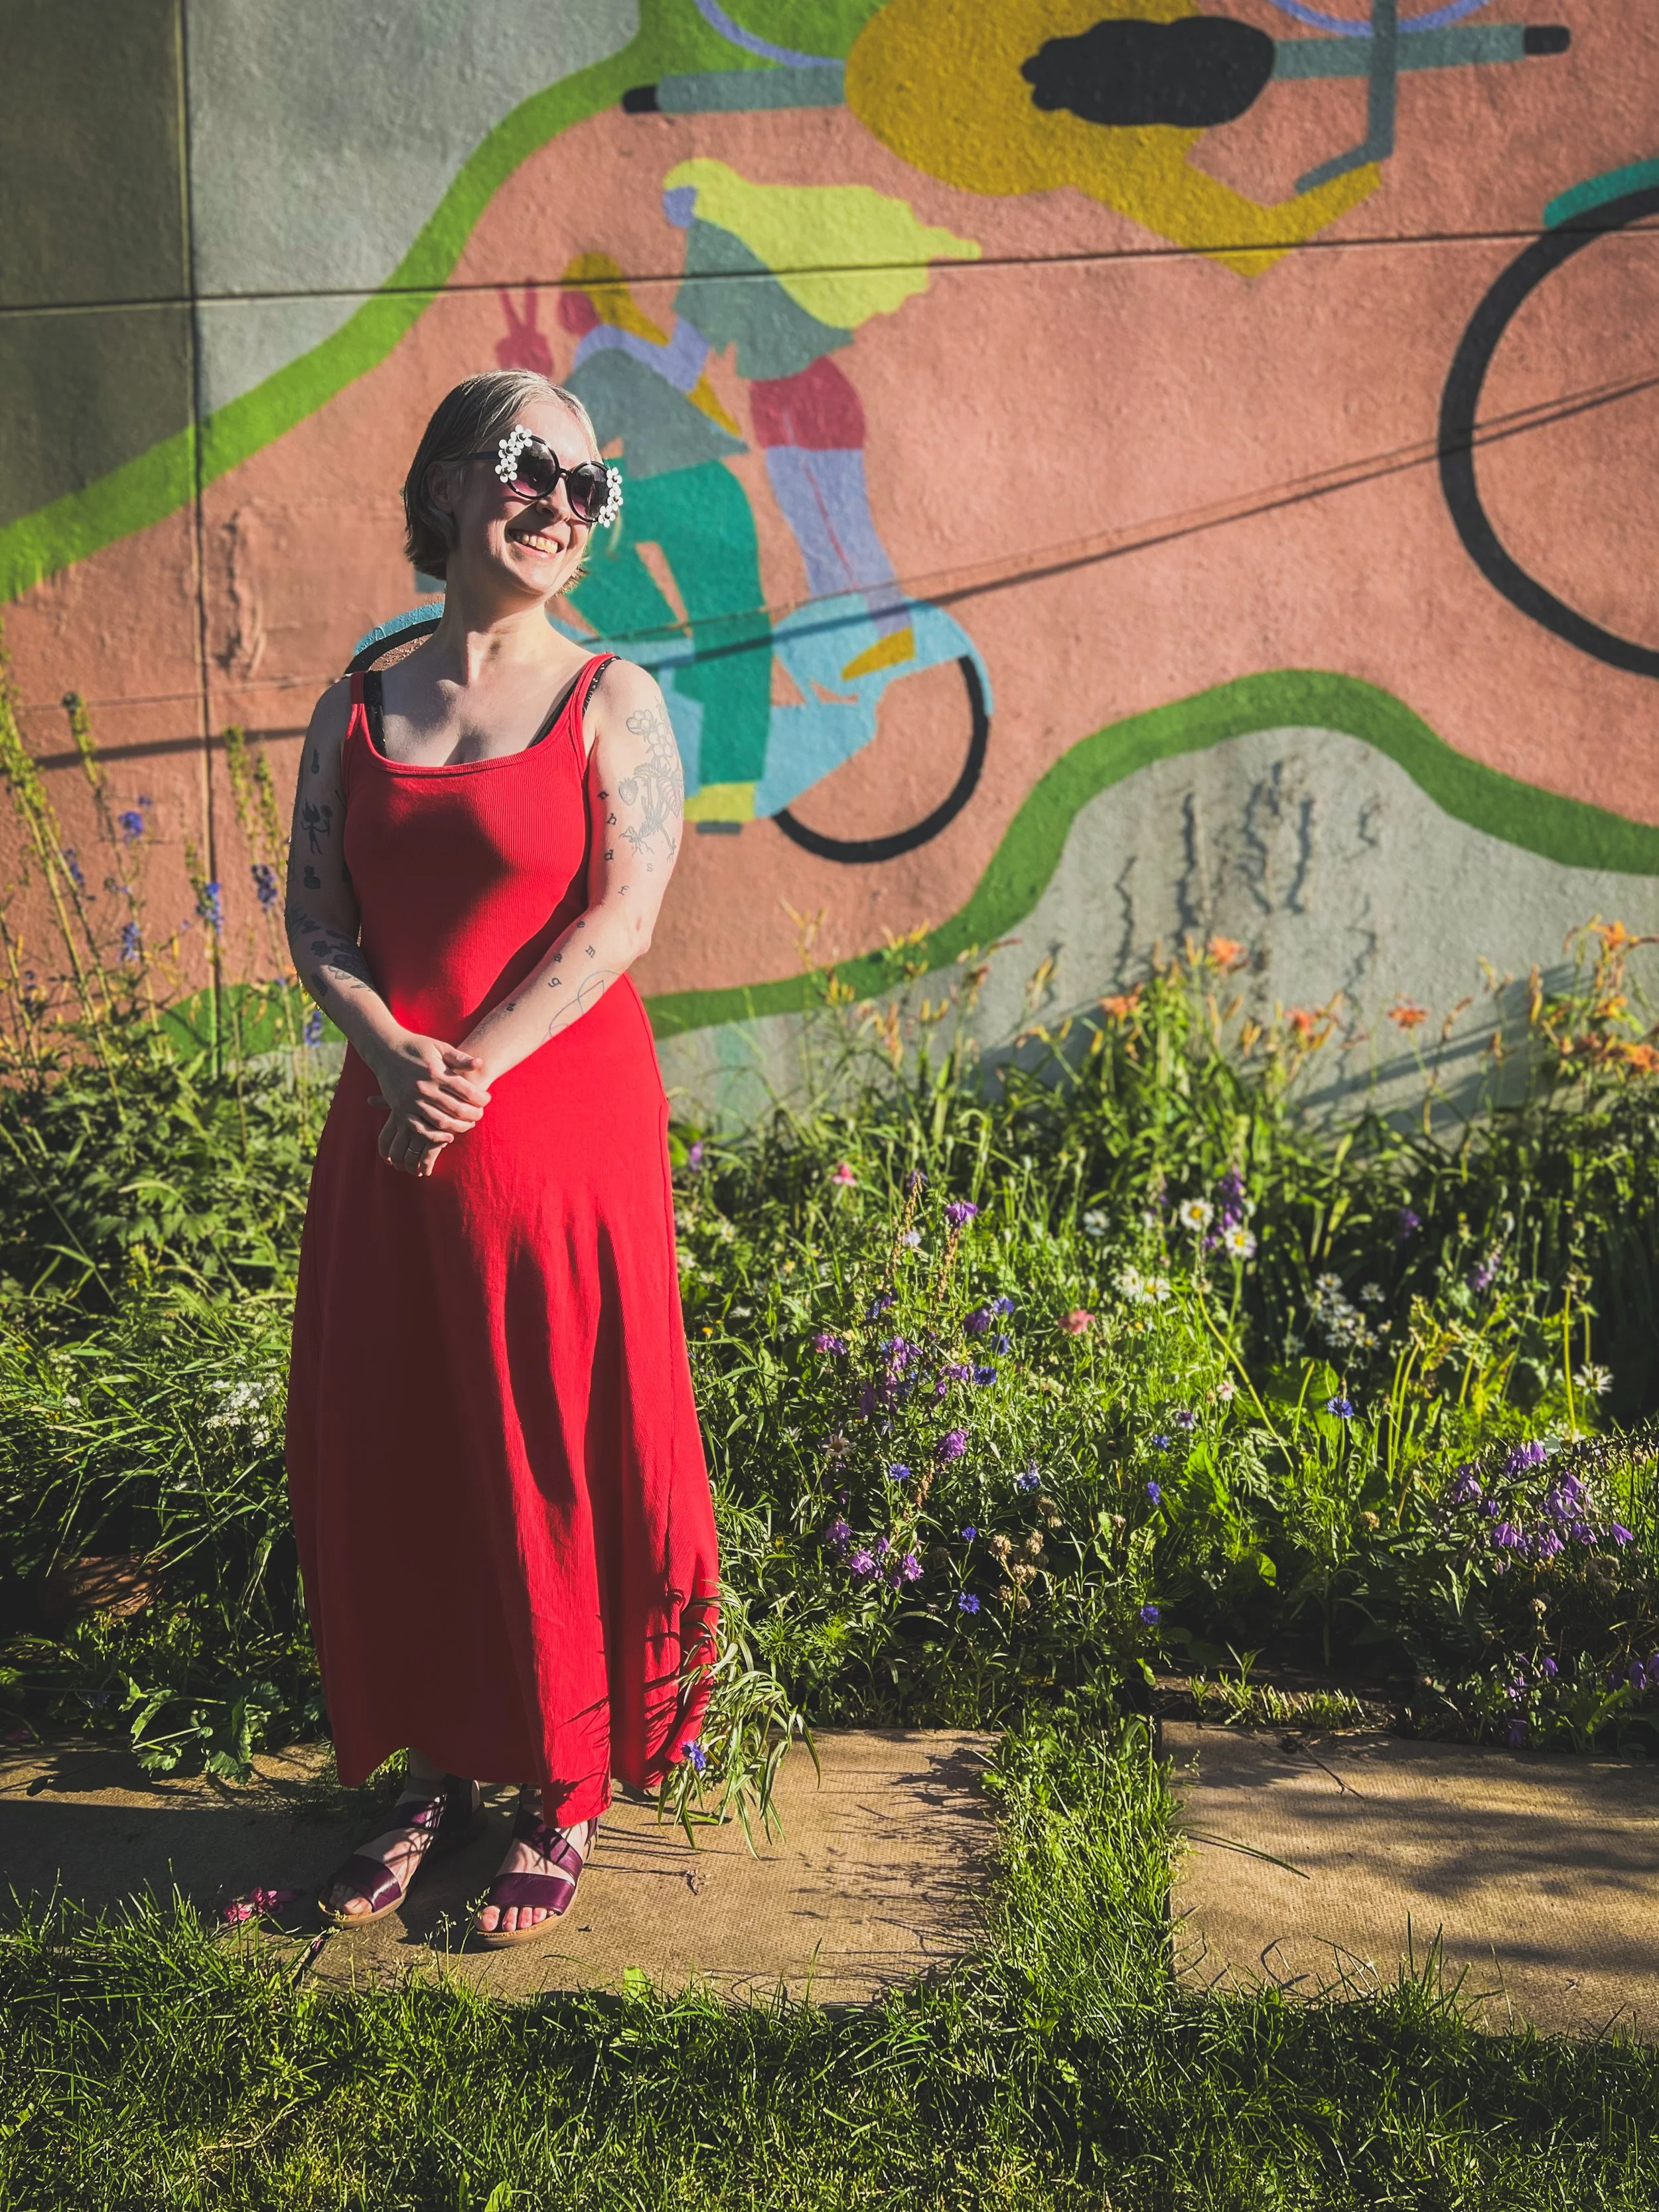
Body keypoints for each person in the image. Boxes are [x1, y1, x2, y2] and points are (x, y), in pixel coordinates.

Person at [283, 369, 719, 1947]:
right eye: (531, 464)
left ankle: (562, 1787)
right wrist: (391, 1053)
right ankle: (418, 1775)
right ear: (451, 482)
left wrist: (471, 1064)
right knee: (393, 1430)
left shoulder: (613, 700)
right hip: (393, 1122)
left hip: (554, 1119)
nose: (559, 501)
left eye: (590, 486)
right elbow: (314, 914)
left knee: (551, 1428)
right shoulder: (358, 701)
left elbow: (624, 913)